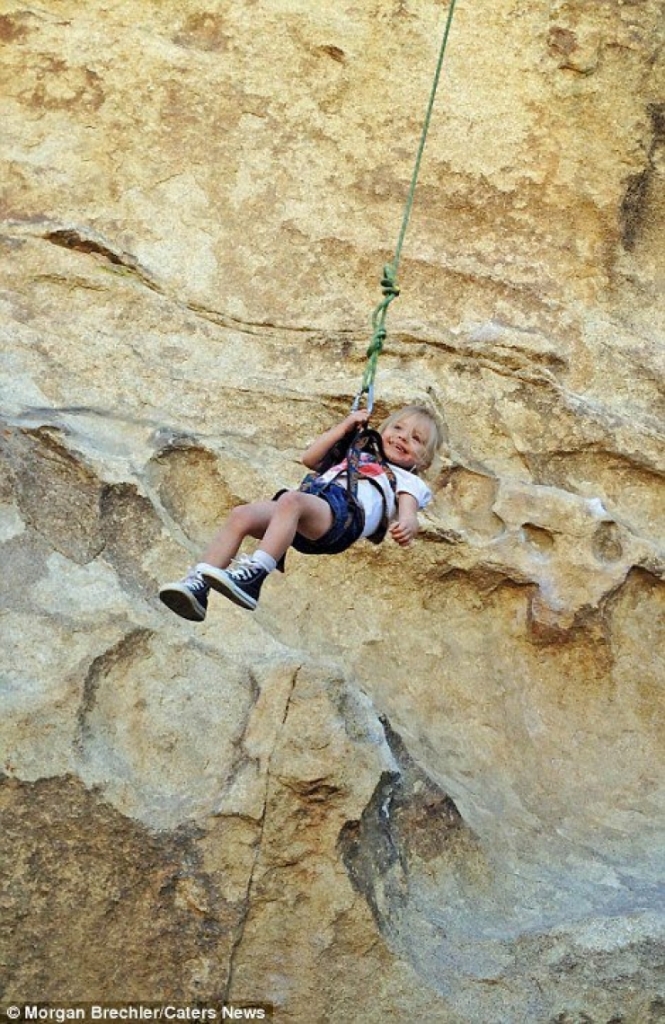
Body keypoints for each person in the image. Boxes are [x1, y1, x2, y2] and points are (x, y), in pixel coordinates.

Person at [159, 405, 442, 621]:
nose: (403, 438)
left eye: (416, 439)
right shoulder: (356, 454)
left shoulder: (409, 481)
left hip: (343, 520)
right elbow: (310, 458)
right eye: (398, 429)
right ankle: (197, 586)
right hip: (304, 514)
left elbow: (409, 511)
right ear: (382, 432)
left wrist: (407, 524)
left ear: (424, 461)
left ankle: (255, 576)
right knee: (242, 514)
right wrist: (345, 427)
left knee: (292, 500)